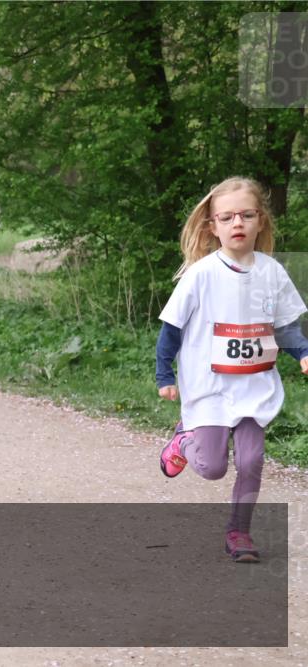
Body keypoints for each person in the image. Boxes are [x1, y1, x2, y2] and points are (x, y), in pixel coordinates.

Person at [156, 176, 308, 562]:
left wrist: (303, 352)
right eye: (227, 217)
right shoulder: (201, 274)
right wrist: (165, 375)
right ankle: (183, 440)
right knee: (210, 468)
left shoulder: (272, 273)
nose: (237, 223)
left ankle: (239, 532)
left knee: (253, 461)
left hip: (254, 386)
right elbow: (171, 328)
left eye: (246, 215)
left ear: (262, 222)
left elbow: (286, 327)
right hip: (209, 389)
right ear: (213, 227)